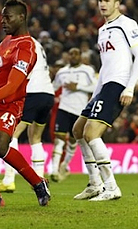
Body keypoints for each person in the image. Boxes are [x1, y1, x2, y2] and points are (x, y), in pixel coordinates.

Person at [0, 0, 50, 207]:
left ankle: (38, 183)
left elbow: (13, 86)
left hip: (10, 103)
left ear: (21, 17)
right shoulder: (5, 42)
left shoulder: (26, 47)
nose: (2, 20)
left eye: (7, 17)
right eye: (2, 16)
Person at [72, 0, 138, 201]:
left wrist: (130, 86)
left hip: (119, 84)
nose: (102, 4)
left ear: (116, 3)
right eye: (100, 0)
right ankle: (95, 183)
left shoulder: (127, 24)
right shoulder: (102, 30)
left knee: (91, 133)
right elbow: (105, 67)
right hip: (105, 85)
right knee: (78, 130)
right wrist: (95, 94)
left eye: (106, 1)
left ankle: (111, 187)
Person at [0, 37, 55, 193]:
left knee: (11, 134)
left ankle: (9, 180)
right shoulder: (37, 42)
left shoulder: (20, 43)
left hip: (32, 92)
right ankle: (39, 179)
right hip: (47, 94)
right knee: (35, 137)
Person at [50, 48, 96, 182]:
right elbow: (53, 86)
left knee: (73, 140)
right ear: (68, 56)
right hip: (64, 108)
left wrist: (79, 86)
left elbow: (95, 87)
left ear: (80, 56)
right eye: (71, 54)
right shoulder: (62, 71)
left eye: (76, 53)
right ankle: (54, 170)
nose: (73, 56)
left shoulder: (87, 70)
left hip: (80, 110)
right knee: (59, 139)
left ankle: (65, 165)